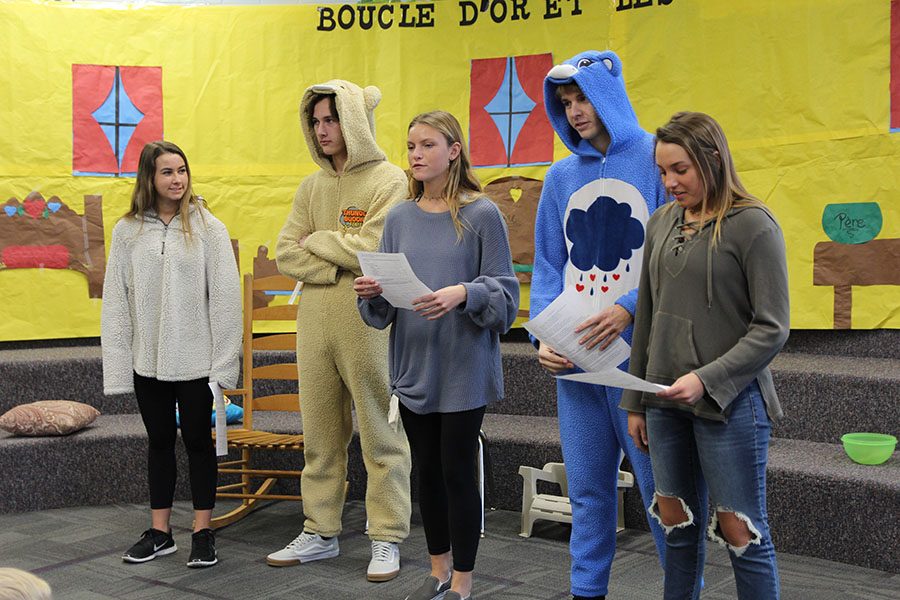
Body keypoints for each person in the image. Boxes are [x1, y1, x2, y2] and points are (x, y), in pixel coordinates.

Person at [622, 111, 789, 600]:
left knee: (742, 534)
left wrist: (706, 378)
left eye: (681, 170)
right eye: (662, 171)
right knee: (676, 528)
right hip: (664, 406)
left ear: (712, 160)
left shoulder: (754, 225)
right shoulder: (660, 223)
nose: (669, 182)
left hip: (731, 408)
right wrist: (635, 401)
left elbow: (772, 328)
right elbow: (646, 319)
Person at [355, 110, 519, 600]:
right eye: (410, 147)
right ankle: (438, 569)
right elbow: (380, 312)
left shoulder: (482, 214)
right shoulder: (399, 218)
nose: (416, 156)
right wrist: (370, 292)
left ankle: (464, 582)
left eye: (427, 145)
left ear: (454, 150)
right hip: (412, 366)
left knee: (455, 471)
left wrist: (464, 293)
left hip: (463, 367)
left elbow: (506, 297)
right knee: (425, 471)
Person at [529, 50, 667, 600]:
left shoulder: (658, 159)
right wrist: (544, 335)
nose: (575, 111)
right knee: (587, 491)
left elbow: (671, 254)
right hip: (577, 363)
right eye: (565, 102)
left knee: (663, 491)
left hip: (643, 363)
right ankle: (586, 593)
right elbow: (547, 263)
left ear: (607, 93)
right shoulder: (561, 176)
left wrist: (630, 306)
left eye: (583, 97)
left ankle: (682, 589)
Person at [269, 80, 412, 583]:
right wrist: (338, 259)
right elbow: (287, 251)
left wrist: (321, 241)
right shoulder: (310, 187)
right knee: (320, 436)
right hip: (314, 326)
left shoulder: (390, 180)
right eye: (316, 121)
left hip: (368, 325)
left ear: (352, 120)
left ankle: (387, 535)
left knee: (381, 433)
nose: (322, 130)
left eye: (332, 119)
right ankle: (320, 531)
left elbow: (373, 248)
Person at [101, 141, 242, 568]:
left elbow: (224, 299)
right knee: (159, 442)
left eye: (182, 170)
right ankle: (160, 532)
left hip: (198, 364)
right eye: (167, 172)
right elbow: (116, 302)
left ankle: (203, 531)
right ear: (149, 177)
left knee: (199, 443)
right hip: (149, 362)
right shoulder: (128, 231)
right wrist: (120, 366)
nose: (177, 179)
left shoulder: (208, 229)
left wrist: (222, 368)